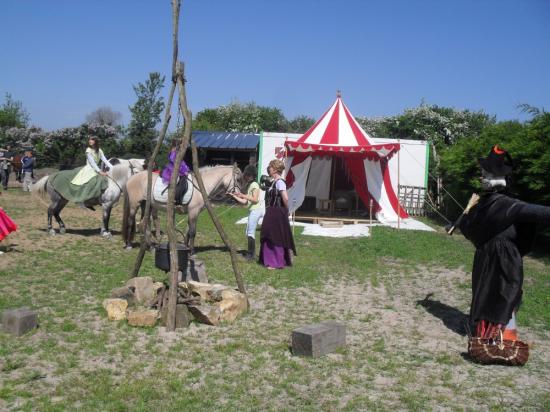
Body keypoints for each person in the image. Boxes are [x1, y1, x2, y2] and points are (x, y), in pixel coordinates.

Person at [457, 145, 550, 343]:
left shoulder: (506, 205)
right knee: (489, 293)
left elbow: (540, 213)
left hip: (503, 258)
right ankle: (491, 336)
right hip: (491, 256)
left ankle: (502, 337)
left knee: (505, 294)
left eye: (484, 172)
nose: (481, 176)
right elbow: (469, 226)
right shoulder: (485, 204)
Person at [259, 159, 296, 269]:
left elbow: (285, 197)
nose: (269, 168)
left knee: (275, 236)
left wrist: (287, 209)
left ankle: (275, 262)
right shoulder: (274, 182)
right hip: (271, 211)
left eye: (270, 167)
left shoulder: (280, 182)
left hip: (277, 212)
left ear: (275, 169)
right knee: (268, 234)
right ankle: (268, 259)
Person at [228, 164, 264, 261]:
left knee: (250, 232)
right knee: (249, 232)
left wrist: (242, 195)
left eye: (248, 175)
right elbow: (245, 202)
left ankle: (251, 254)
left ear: (252, 175)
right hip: (253, 210)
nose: (247, 177)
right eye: (246, 175)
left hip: (256, 210)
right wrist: (234, 196)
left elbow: (255, 199)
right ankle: (251, 253)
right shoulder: (251, 185)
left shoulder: (255, 185)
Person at [160, 140, 190, 206]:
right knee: (180, 181)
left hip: (178, 169)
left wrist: (186, 168)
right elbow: (175, 163)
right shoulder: (174, 153)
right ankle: (175, 199)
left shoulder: (178, 152)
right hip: (172, 170)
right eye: (181, 145)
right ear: (177, 145)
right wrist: (183, 171)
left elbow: (182, 162)